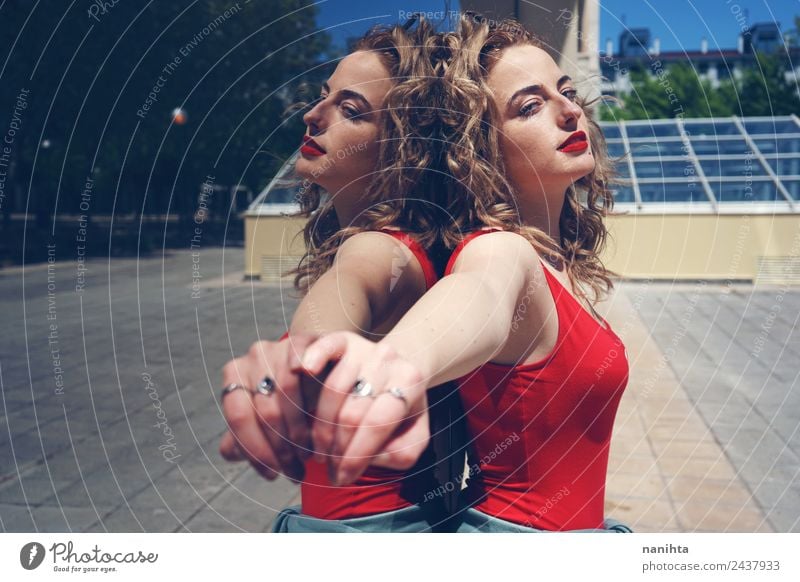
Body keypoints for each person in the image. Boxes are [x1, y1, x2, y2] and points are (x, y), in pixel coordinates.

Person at [298, 14, 633, 533]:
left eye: (565, 92)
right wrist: (380, 370)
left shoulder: (550, 260)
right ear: (482, 146)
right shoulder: (498, 251)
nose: (571, 111)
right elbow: (479, 294)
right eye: (530, 106)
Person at [218, 18, 461, 532]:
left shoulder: (379, 252)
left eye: (349, 110)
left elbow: (335, 309)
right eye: (323, 97)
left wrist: (297, 357)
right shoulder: (396, 248)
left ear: (404, 147)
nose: (312, 115)